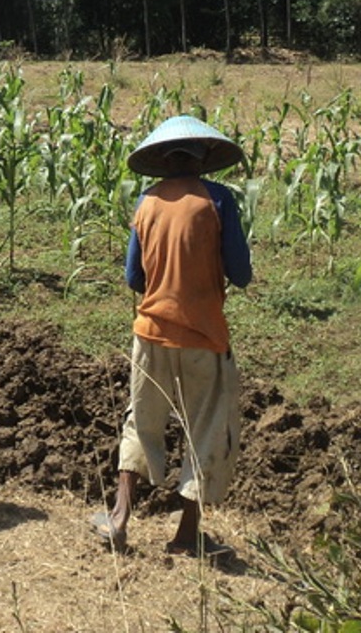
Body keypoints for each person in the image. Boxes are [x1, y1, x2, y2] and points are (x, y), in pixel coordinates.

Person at [91, 115, 252, 560]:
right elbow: (240, 274)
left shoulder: (146, 202)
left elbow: (132, 277)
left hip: (151, 334)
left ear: (163, 160)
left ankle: (119, 518)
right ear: (202, 158)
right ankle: (186, 535)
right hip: (203, 337)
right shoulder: (218, 200)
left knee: (140, 423)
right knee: (207, 429)